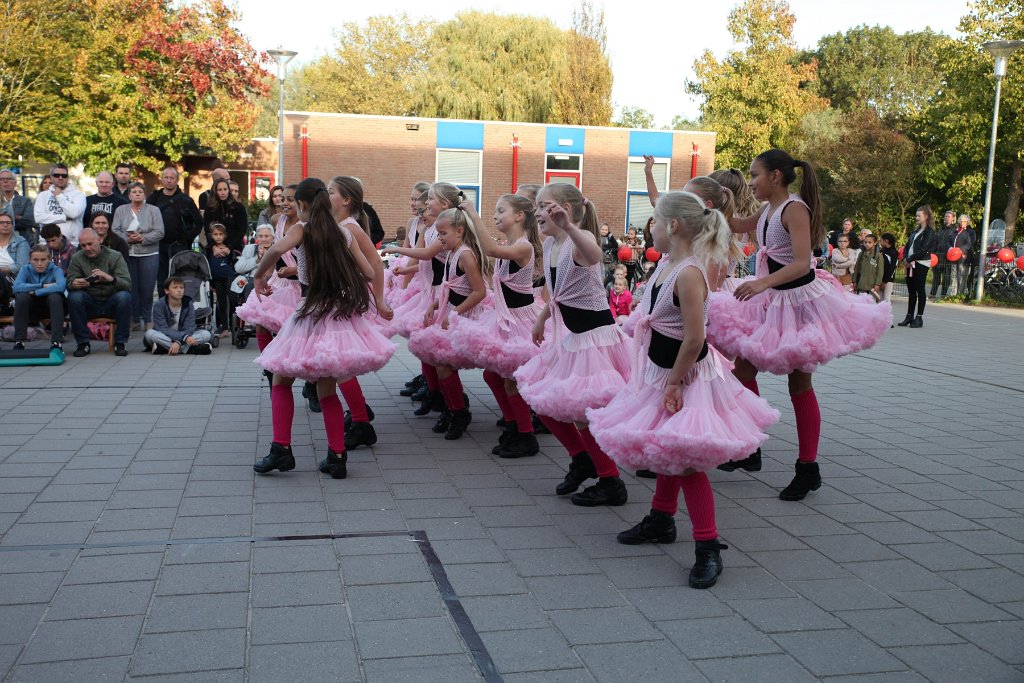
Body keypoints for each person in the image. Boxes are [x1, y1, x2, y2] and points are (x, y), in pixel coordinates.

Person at [588, 191, 778, 589]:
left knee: (687, 460)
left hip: (687, 375)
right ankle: (661, 517)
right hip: (662, 370)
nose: (649, 229)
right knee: (665, 445)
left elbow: (695, 338)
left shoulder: (690, 273)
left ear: (672, 226)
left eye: (654, 222)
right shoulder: (665, 265)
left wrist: (673, 382)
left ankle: (707, 546)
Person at [707, 149, 891, 500]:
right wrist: (712, 204)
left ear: (775, 176)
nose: (751, 182)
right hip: (774, 301)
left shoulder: (794, 209)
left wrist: (761, 283)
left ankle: (808, 468)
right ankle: (749, 447)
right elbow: (737, 226)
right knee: (742, 370)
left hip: (799, 302)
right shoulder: (767, 210)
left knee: (798, 381)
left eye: (755, 175)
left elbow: (804, 263)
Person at [251, 177, 395, 480]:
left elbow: (275, 250)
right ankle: (337, 455)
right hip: (338, 315)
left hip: (309, 313)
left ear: (302, 204)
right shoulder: (343, 234)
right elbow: (369, 271)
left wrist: (259, 276)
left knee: (281, 379)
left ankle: (282, 448)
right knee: (326, 386)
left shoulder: (302, 229)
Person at [513, 183, 632, 506]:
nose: (538, 211)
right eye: (536, 206)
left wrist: (569, 226)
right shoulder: (551, 243)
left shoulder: (580, 239)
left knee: (581, 412)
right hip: (571, 338)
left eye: (544, 205)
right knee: (539, 396)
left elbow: (593, 256)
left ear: (566, 208)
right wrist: (542, 318)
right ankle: (582, 458)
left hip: (595, 339)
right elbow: (557, 290)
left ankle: (611, 482)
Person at [451, 195, 545, 458]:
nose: (496, 215)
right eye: (494, 211)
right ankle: (513, 423)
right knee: (492, 375)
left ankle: (526, 435)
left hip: (521, 321)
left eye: (501, 210)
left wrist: (472, 212)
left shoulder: (524, 247)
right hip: (505, 319)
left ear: (519, 216)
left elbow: (490, 250)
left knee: (511, 379)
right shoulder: (510, 244)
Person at [407, 206, 490, 440]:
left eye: (443, 234)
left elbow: (479, 291)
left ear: (460, 231)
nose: (439, 238)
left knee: (444, 363)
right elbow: (449, 287)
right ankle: (452, 407)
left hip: (466, 317)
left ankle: (459, 410)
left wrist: (454, 313)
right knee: (437, 360)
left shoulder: (465, 255)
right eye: (438, 234)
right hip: (451, 312)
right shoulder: (452, 253)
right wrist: (435, 306)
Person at [326, 176, 394, 450]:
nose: (326, 194)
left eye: (330, 191)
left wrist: (379, 300)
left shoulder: (350, 226)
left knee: (340, 362)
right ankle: (358, 411)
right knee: (338, 362)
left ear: (346, 200)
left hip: (348, 298)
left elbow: (375, 263)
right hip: (337, 296)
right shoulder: (339, 225)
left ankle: (361, 421)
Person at [382, 183, 461, 418]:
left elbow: (427, 254)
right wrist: (404, 273)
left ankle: (454, 406)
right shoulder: (429, 230)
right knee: (425, 347)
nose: (425, 204)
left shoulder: (449, 231)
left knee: (440, 353)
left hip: (443, 294)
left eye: (430, 200)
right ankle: (435, 394)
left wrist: (396, 249)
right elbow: (423, 260)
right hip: (428, 293)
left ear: (445, 205)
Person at [66, 228, 131, 357]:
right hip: (89, 302)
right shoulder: (77, 258)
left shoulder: (115, 256)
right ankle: (83, 343)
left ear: (99, 240)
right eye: (83, 245)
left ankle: (120, 343)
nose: (87, 248)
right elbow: (69, 284)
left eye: (90, 244)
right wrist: (74, 284)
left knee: (125, 297)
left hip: (111, 301)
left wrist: (110, 278)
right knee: (74, 297)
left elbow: (128, 284)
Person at [112, 182, 164, 331]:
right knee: (131, 287)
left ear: (144, 194)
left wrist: (142, 238)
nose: (137, 194)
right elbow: (114, 229)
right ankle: (134, 319)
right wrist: (127, 239)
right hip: (128, 254)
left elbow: (160, 231)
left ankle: (148, 319)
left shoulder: (154, 210)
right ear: (129, 195)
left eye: (140, 191)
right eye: (133, 192)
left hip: (149, 253)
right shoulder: (121, 210)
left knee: (147, 289)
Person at [149, 166, 203, 288]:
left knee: (179, 279)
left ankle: (179, 305)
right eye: (166, 177)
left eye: (172, 178)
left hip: (179, 246)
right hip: (158, 245)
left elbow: (199, 222)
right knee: (161, 279)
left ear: (176, 180)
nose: (169, 180)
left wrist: (187, 237)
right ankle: (163, 304)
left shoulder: (186, 200)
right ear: (162, 179)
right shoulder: (154, 198)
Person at [11, 244, 66, 350]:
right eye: (35, 260)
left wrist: (36, 292)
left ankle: (56, 341)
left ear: (49, 259)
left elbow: (61, 286)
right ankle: (19, 341)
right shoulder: (25, 269)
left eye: (43, 259)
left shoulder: (56, 270)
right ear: (30, 260)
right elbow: (16, 287)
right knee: (21, 297)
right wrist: (41, 285)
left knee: (55, 297)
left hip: (51, 308)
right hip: (31, 309)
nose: (39, 263)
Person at [144, 277, 213, 355]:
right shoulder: (159, 305)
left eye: (181, 287)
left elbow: (190, 327)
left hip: (184, 336)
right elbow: (163, 328)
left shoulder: (188, 304)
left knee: (206, 334)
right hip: (166, 336)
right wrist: (184, 338)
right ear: (167, 291)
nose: (179, 290)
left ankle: (165, 348)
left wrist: (178, 342)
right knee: (150, 334)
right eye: (175, 287)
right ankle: (190, 349)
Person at [898, 206, 936, 328]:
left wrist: (910, 259)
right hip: (910, 263)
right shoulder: (915, 231)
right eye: (916, 215)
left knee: (920, 289)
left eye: (919, 215)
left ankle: (919, 318)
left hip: (921, 263)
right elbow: (907, 245)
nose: (917, 218)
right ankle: (909, 316)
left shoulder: (929, 232)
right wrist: (905, 258)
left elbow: (924, 249)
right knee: (911, 290)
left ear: (926, 216)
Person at [33, 163, 86, 247]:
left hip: (72, 245)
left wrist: (59, 196)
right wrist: (64, 217)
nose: (60, 178)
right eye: (57, 175)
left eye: (64, 175)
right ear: (51, 177)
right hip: (46, 244)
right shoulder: (43, 195)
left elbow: (74, 213)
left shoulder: (79, 195)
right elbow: (39, 217)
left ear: (67, 177)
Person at [205, 223, 238, 336]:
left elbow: (235, 263)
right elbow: (206, 264)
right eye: (215, 234)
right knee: (221, 302)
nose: (218, 236)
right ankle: (224, 327)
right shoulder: (209, 249)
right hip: (217, 279)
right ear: (211, 236)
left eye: (220, 234)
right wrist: (210, 282)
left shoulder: (229, 249)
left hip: (229, 277)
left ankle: (234, 325)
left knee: (233, 300)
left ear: (225, 235)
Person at [203, 178, 248, 253]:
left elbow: (242, 230)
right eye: (220, 190)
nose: (223, 192)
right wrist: (214, 247)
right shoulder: (210, 208)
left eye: (225, 189)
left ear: (228, 190)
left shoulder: (239, 207)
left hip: (234, 248)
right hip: (214, 248)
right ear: (215, 191)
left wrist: (229, 248)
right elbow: (207, 230)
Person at [0, 214, 31, 315]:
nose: (5, 225)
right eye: (2, 222)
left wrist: (1, 271)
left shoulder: (20, 241)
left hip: (14, 279)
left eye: (8, 223)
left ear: (12, 225)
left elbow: (22, 265)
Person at [1, 168, 37, 242]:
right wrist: (17, 217)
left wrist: (4, 221)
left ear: (15, 182)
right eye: (2, 179)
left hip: (23, 240)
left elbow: (29, 221)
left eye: (9, 178)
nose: (5, 181)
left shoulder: (25, 201)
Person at [947, 214, 976, 297]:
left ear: (967, 222)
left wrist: (960, 250)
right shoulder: (955, 232)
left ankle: (960, 294)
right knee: (953, 276)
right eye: (961, 221)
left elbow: (970, 243)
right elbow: (949, 241)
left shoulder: (970, 232)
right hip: (953, 257)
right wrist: (950, 248)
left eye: (965, 221)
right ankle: (953, 294)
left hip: (964, 257)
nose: (963, 223)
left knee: (962, 276)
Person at [930, 210, 956, 299]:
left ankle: (943, 294)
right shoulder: (940, 229)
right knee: (936, 276)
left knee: (946, 277)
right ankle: (932, 293)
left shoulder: (954, 230)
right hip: (937, 256)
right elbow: (935, 242)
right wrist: (932, 253)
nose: (946, 218)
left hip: (947, 256)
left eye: (948, 216)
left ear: (953, 218)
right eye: (945, 216)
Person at [853, 233, 885, 300]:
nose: (867, 244)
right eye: (865, 242)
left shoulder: (878, 256)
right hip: (861, 284)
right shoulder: (861, 254)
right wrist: (855, 281)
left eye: (869, 242)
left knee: (871, 304)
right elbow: (856, 269)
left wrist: (877, 284)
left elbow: (880, 271)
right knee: (861, 304)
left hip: (872, 285)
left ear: (875, 242)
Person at [879, 232, 899, 308]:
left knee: (886, 298)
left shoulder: (894, 253)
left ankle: (887, 316)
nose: (880, 243)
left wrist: (885, 281)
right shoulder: (882, 251)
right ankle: (879, 317)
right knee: (879, 299)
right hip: (880, 278)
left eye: (881, 241)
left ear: (886, 241)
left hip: (888, 279)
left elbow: (892, 268)